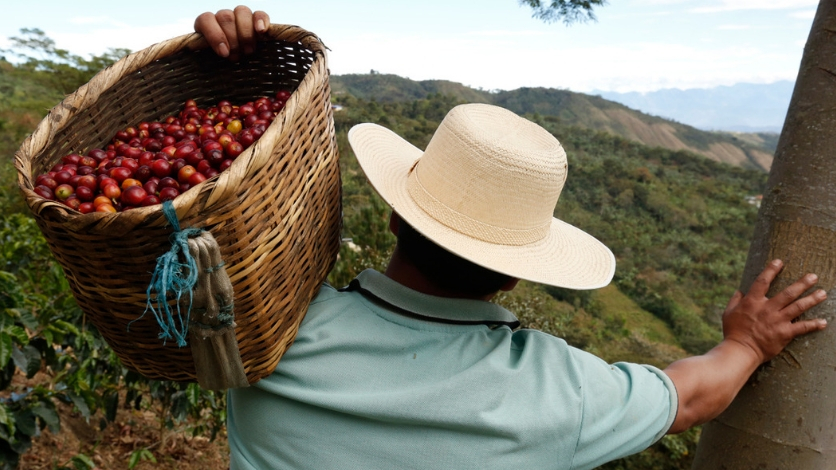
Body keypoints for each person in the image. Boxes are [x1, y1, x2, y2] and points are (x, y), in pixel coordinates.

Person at [194, 7, 828, 469]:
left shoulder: (266, 328)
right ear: (515, 271)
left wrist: (226, 74)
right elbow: (691, 396)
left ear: (393, 217)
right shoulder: (560, 391)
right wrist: (746, 342)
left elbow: (200, 217)